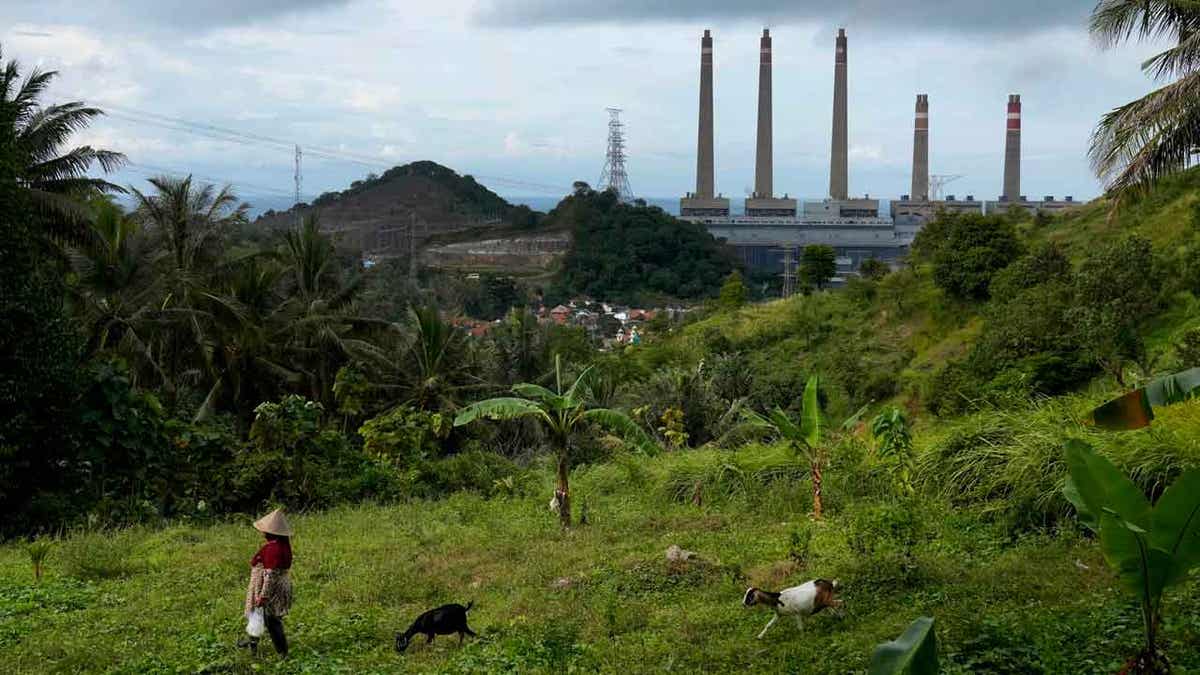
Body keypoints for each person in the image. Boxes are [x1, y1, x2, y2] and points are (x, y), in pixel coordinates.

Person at [239, 508, 294, 657]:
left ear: (271, 532)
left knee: (271, 621)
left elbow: (270, 575)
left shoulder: (273, 549)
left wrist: (263, 596)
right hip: (279, 587)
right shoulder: (282, 545)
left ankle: (282, 652)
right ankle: (252, 641)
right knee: (259, 616)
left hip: (270, 589)